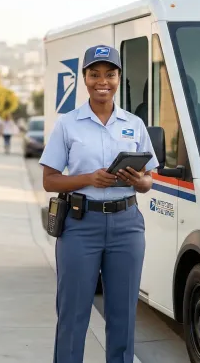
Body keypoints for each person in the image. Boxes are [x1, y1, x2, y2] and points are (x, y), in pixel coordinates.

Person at [39, 44, 159, 363]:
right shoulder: (68, 124)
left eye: (110, 74)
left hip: (127, 225)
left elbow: (149, 181)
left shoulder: (134, 124)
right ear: (85, 78)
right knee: (73, 314)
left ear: (119, 78)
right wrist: (89, 178)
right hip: (80, 225)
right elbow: (49, 180)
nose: (102, 81)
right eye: (95, 74)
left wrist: (139, 181)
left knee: (123, 317)